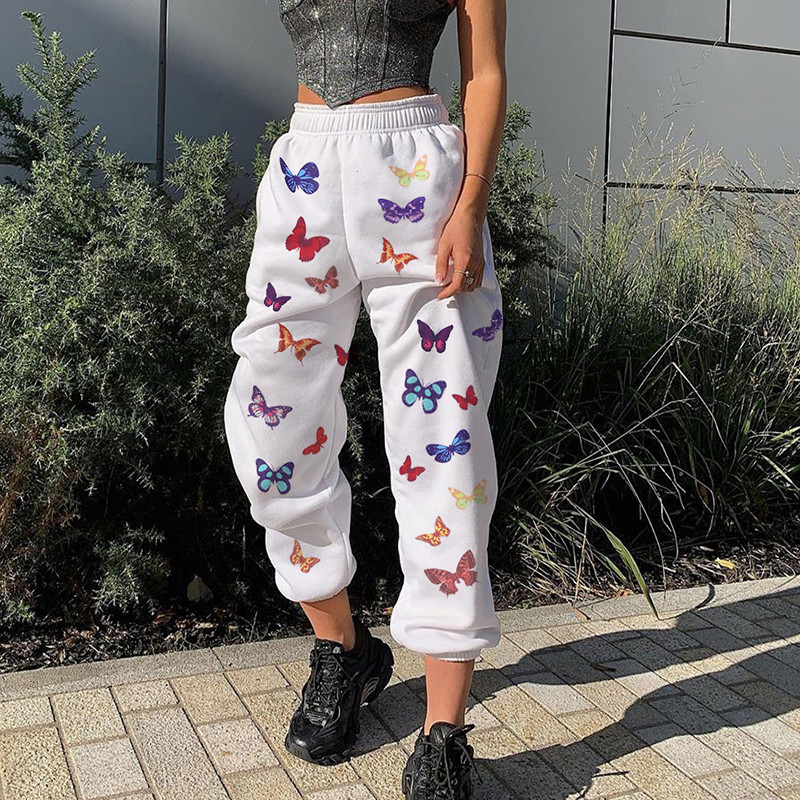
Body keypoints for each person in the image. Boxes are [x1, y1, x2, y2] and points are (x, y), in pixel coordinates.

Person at [223, 1, 507, 797]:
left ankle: (445, 730)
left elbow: (485, 73)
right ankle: (345, 650)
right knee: (272, 429)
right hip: (306, 172)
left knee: (445, 437)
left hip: (420, 175)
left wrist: (472, 203)